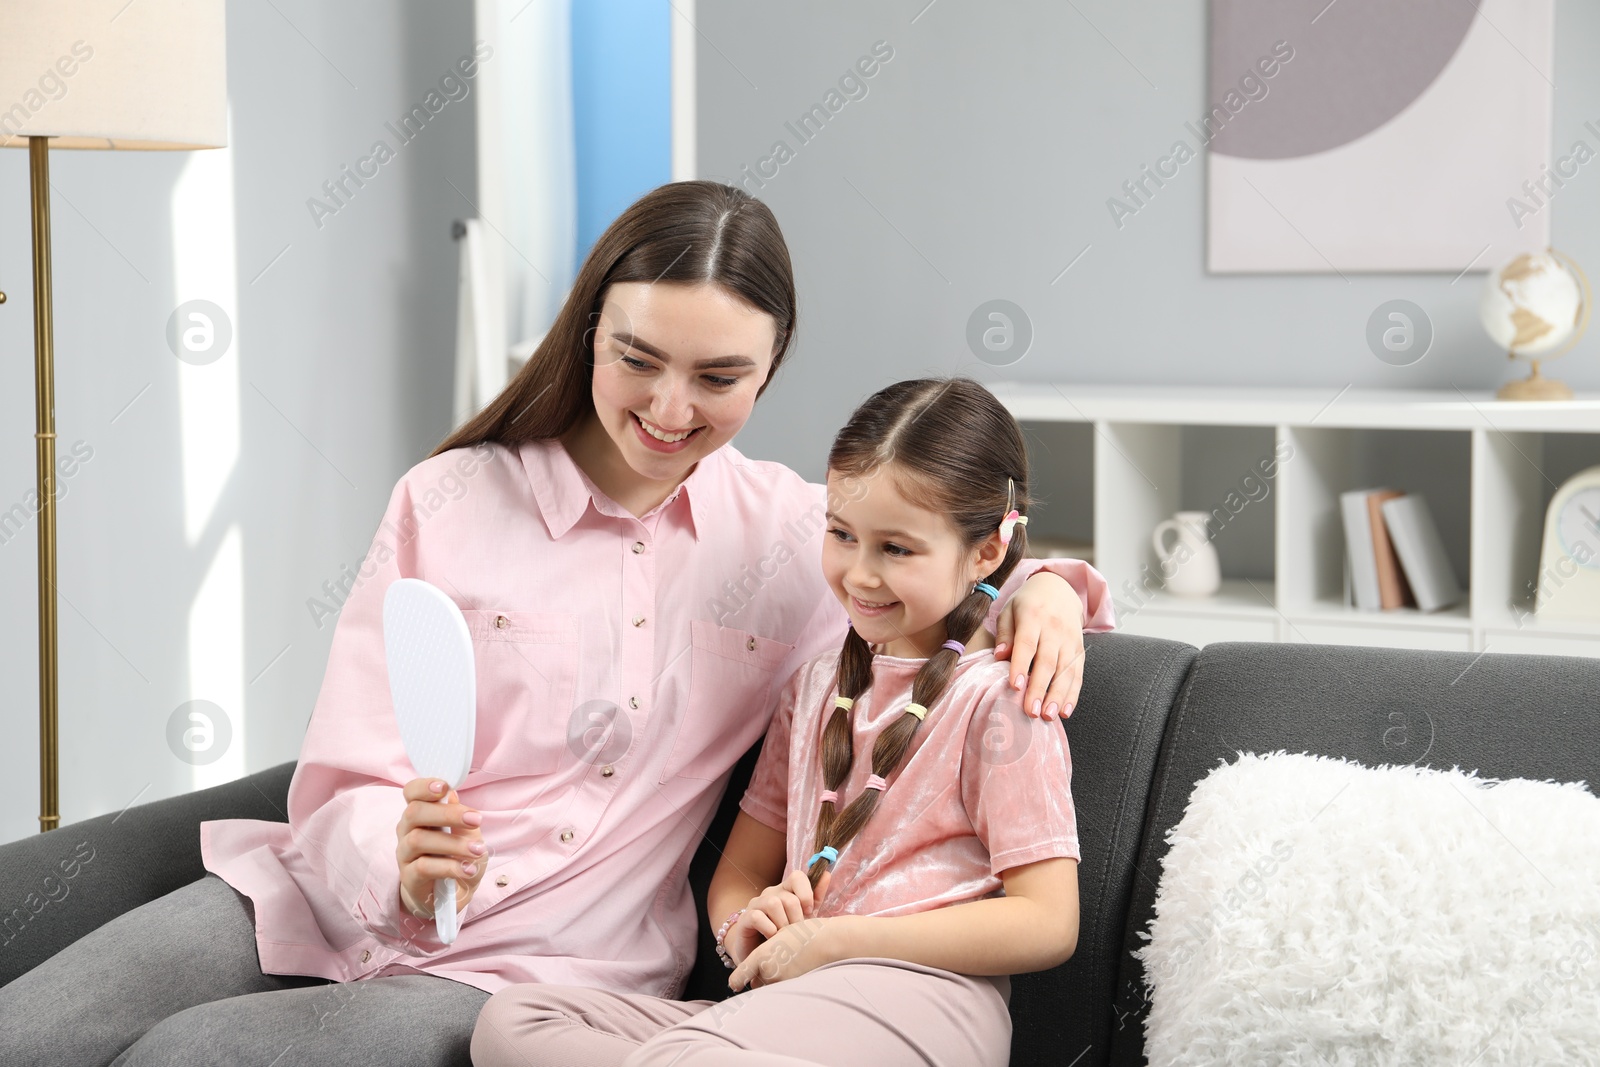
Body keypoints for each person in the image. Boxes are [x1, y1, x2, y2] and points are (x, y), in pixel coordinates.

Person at [0, 184, 1111, 1067]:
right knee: (32, 1035)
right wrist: (387, 848)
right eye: (637, 358)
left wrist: (1053, 583)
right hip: (312, 895)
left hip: (540, 974)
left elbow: (934, 575)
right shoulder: (449, 498)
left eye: (719, 376)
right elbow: (347, 764)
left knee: (188, 1057)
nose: (671, 411)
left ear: (770, 373)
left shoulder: (790, 536)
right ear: (588, 331)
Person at [471, 377, 1081, 1067]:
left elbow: (1049, 921)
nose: (861, 573)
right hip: (794, 994)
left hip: (923, 1002)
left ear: (988, 552)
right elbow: (741, 872)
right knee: (512, 1020)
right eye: (842, 534)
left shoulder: (1002, 699)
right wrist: (745, 926)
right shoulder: (814, 687)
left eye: (897, 549)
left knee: (686, 1055)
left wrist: (842, 939)